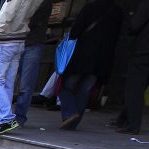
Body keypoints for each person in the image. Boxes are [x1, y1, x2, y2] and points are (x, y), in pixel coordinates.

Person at [0, 0, 44, 136]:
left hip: (5, 42)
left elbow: (5, 18)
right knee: (7, 83)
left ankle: (5, 118)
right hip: (19, 41)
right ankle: (2, 119)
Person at [58, 0, 124, 130]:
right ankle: (73, 123)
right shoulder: (118, 12)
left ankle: (71, 113)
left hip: (82, 55)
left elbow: (76, 30)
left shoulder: (89, 7)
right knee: (85, 89)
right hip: (102, 59)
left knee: (66, 86)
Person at [14, 0, 52, 126]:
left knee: (26, 84)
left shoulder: (44, 3)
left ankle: (19, 117)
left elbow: (31, 20)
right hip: (17, 41)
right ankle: (3, 115)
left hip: (33, 43)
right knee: (6, 81)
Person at [117, 0, 149, 133]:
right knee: (140, 86)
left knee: (134, 87)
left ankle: (132, 123)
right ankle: (124, 118)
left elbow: (135, 25)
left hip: (143, 50)